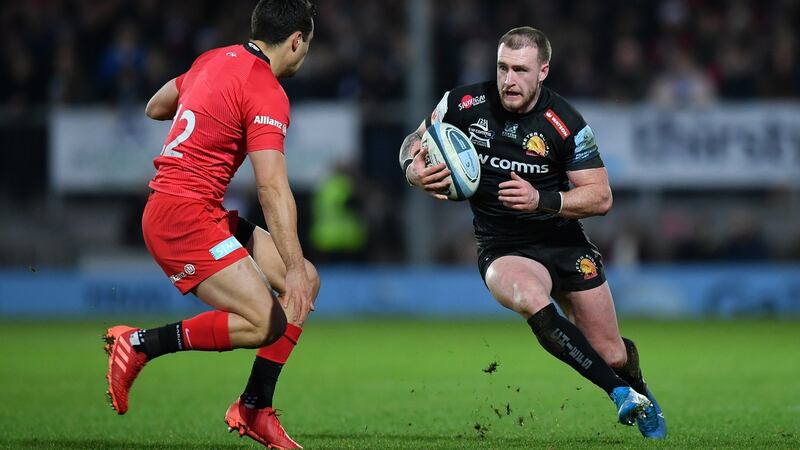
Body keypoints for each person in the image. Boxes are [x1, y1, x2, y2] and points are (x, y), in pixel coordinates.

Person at [399, 27, 667, 439]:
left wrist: (543, 200)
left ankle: (637, 388)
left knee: (611, 353)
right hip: (502, 246)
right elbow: (414, 142)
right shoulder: (462, 103)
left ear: (543, 70)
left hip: (563, 242)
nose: (509, 80)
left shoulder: (565, 124)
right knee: (529, 298)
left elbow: (601, 197)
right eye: (503, 67)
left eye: (521, 70)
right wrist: (413, 170)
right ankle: (620, 395)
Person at [103, 1, 318, 448]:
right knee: (265, 322)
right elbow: (272, 187)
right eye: (307, 46)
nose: (305, 55)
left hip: (200, 209)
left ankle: (255, 406)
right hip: (181, 217)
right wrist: (292, 264)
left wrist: (203, 113)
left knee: (307, 282)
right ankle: (141, 344)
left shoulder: (213, 59)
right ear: (296, 40)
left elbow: (155, 105)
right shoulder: (267, 91)